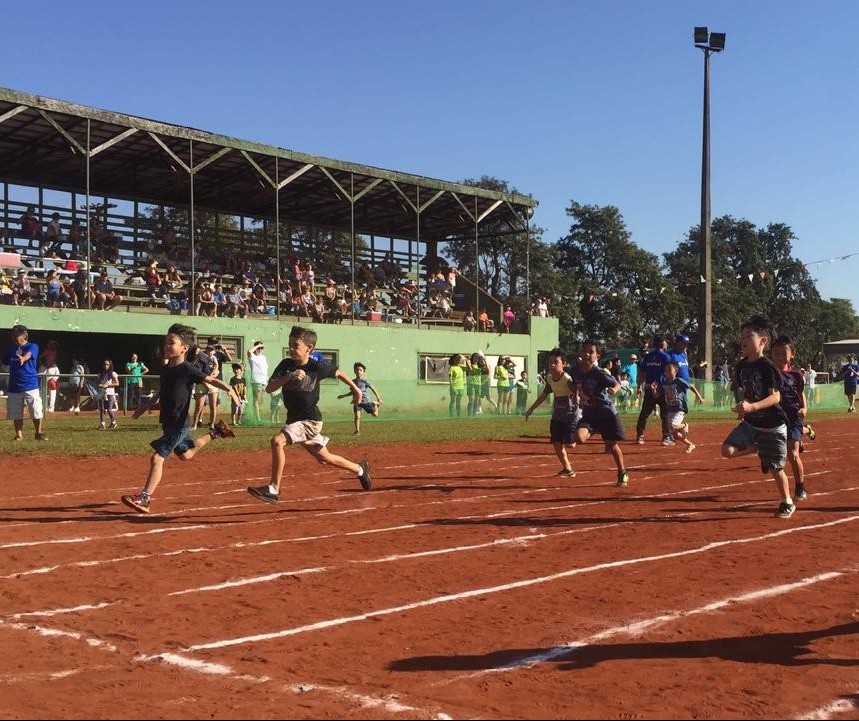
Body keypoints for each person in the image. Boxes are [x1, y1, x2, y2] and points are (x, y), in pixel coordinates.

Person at [121, 323, 240, 514]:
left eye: (172, 343)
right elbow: (162, 392)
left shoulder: (188, 369)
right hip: (168, 424)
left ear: (184, 348)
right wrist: (145, 406)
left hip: (179, 424)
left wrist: (230, 390)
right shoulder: (166, 369)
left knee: (157, 458)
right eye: (166, 342)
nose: (167, 346)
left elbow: (210, 380)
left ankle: (145, 498)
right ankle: (216, 432)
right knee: (186, 455)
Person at [247, 326, 373, 504]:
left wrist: (356, 391)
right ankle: (360, 469)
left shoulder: (316, 367)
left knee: (277, 441)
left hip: (310, 421)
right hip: (296, 421)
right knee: (325, 458)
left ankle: (273, 489)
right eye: (289, 345)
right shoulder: (286, 365)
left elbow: (339, 373)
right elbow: (269, 388)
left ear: (309, 348)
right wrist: (289, 377)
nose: (291, 349)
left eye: (295, 345)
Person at [721, 315, 794, 518]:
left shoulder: (767, 366)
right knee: (726, 450)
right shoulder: (741, 366)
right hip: (751, 423)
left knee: (776, 468)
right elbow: (742, 389)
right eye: (742, 335)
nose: (743, 339)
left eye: (749, 335)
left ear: (762, 341)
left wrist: (752, 406)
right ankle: (756, 448)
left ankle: (786, 501)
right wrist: (742, 407)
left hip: (772, 425)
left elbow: (776, 397)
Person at [570, 340, 629, 487]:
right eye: (585, 351)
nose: (587, 354)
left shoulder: (598, 373)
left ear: (597, 356)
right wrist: (574, 393)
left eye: (591, 352)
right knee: (579, 437)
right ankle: (595, 429)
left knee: (611, 445)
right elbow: (570, 382)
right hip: (590, 413)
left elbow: (617, 383)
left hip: (606, 413)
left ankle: (622, 471)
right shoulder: (575, 370)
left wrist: (614, 390)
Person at [772, 336, 815, 502]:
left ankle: (800, 486)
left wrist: (805, 408)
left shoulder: (797, 374)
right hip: (775, 418)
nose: (780, 357)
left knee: (793, 454)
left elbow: (801, 393)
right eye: (776, 353)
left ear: (792, 354)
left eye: (784, 353)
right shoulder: (769, 373)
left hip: (794, 417)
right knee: (774, 453)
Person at [524, 348, 579, 476]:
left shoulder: (566, 378)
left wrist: (576, 396)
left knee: (570, 444)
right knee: (556, 442)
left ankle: (584, 432)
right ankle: (568, 469)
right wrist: (531, 409)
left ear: (563, 364)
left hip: (571, 415)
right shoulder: (549, 378)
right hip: (558, 414)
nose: (552, 365)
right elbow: (544, 395)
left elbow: (576, 390)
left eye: (556, 362)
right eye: (550, 362)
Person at [3, 325, 47, 441]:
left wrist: (23, 358)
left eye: (17, 336)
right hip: (14, 386)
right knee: (16, 412)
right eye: (13, 335)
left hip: (30, 384)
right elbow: (4, 362)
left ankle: (38, 432)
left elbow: (30, 354)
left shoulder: (32, 346)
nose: (14, 338)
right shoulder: (11, 350)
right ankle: (19, 435)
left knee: (36, 410)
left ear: (25, 335)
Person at [660, 360, 705, 454]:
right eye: (666, 370)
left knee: (673, 426)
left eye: (669, 369)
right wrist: (653, 391)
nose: (667, 371)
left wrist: (699, 397)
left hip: (679, 409)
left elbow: (691, 386)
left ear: (675, 371)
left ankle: (685, 425)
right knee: (675, 434)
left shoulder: (679, 381)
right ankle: (690, 445)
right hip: (670, 409)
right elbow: (657, 395)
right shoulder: (664, 383)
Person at [636, 334, 672, 444]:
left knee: (644, 413)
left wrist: (639, 386)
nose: (667, 344)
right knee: (665, 413)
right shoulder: (665, 357)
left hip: (649, 388)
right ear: (662, 344)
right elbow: (670, 372)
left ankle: (640, 435)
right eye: (665, 342)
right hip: (662, 389)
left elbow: (641, 374)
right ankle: (666, 436)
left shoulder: (647, 356)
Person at [337, 362, 382, 434]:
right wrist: (343, 396)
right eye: (357, 370)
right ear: (354, 371)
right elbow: (352, 392)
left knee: (375, 415)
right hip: (357, 401)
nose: (359, 371)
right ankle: (357, 431)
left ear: (363, 372)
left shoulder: (365, 381)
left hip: (365, 401)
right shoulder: (352, 382)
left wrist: (378, 398)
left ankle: (375, 405)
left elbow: (373, 389)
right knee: (357, 416)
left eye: (361, 370)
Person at [247, 340, 269, 421]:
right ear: (255, 348)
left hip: (264, 381)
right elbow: (249, 351)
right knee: (256, 399)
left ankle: (257, 415)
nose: (260, 350)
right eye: (258, 348)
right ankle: (257, 418)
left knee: (260, 400)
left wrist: (267, 380)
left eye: (261, 348)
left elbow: (265, 369)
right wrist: (258, 345)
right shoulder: (252, 356)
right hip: (256, 380)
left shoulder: (263, 357)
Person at [96, 358, 120, 430]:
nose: (105, 366)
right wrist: (100, 385)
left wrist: (108, 385)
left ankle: (113, 422)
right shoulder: (100, 374)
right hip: (102, 393)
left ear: (110, 365)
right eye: (104, 364)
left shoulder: (113, 373)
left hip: (110, 393)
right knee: (102, 409)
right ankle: (103, 424)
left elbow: (117, 383)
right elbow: (97, 382)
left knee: (109, 409)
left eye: (107, 364)